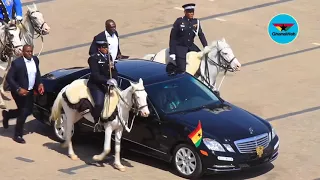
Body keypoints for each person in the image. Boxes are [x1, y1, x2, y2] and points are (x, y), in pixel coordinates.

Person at [2, 44, 44, 144]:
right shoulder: (17, 63)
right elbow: (9, 78)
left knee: (28, 111)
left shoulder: (35, 60)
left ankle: (8, 115)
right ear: (22, 52)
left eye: (31, 51)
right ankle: (18, 135)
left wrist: (40, 83)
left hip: (30, 91)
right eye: (27, 51)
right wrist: (18, 89)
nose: (29, 53)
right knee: (24, 112)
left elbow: (37, 73)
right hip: (18, 92)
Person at [169, 3, 208, 73]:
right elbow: (173, 38)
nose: (191, 13)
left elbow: (201, 34)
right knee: (182, 69)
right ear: (185, 12)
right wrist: (172, 52)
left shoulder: (196, 22)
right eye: (189, 12)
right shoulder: (179, 21)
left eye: (192, 12)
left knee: (203, 60)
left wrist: (205, 46)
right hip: (180, 47)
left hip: (190, 46)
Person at [87, 40, 118, 127]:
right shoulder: (93, 58)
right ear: (99, 48)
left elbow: (114, 70)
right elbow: (95, 75)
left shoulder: (109, 57)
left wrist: (115, 79)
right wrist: (106, 81)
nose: (107, 49)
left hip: (109, 84)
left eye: (107, 47)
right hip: (97, 85)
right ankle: (96, 121)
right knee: (99, 103)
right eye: (105, 47)